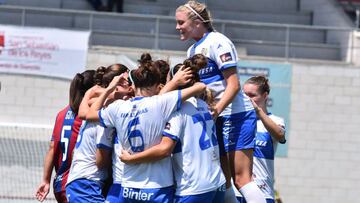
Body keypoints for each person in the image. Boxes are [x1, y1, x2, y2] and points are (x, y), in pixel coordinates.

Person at [175, 1, 266, 203]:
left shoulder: (218, 41)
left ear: (197, 21)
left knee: (241, 180)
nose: (177, 27)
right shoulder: (191, 51)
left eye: (181, 22)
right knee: (223, 181)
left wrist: (217, 110)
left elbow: (233, 85)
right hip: (214, 117)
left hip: (235, 115)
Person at [84, 61, 206, 203]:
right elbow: (201, 87)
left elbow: (90, 114)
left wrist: (109, 89)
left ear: (133, 85)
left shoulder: (118, 108)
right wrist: (175, 81)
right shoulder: (161, 103)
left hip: (128, 186)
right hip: (158, 187)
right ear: (157, 86)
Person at [120, 54, 226, 203]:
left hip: (193, 188)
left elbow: (164, 149)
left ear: (177, 82)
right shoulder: (203, 105)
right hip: (217, 183)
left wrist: (131, 159)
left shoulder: (176, 110)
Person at [66, 64, 132, 203]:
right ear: (116, 85)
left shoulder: (95, 106)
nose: (131, 87)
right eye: (127, 81)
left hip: (81, 181)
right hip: (86, 183)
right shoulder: (105, 116)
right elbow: (100, 161)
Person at [35, 70, 96, 203]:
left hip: (59, 184)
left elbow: (52, 148)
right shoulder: (88, 116)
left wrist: (45, 180)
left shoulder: (62, 114)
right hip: (77, 185)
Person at [235, 76, 286, 203]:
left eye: (252, 95)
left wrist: (258, 112)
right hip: (237, 192)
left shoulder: (275, 120)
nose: (247, 99)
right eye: (244, 95)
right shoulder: (236, 120)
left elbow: (280, 135)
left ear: (265, 96)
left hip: (263, 192)